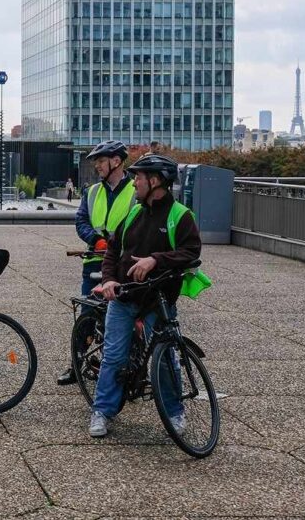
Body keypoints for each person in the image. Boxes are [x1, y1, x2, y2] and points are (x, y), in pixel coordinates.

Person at [88, 154, 201, 438]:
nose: (134, 181)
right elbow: (113, 250)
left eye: (139, 177)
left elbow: (191, 252)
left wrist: (155, 260)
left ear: (155, 181)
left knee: (165, 360)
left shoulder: (180, 216)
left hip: (158, 300)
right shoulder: (135, 212)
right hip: (125, 295)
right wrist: (110, 279)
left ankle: (175, 413)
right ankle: (102, 411)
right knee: (113, 355)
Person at [57, 140, 135, 386]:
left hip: (125, 264)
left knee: (128, 317)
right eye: (97, 162)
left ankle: (129, 366)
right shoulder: (92, 192)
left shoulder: (136, 190)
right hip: (94, 263)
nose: (97, 166)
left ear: (116, 161)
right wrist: (95, 240)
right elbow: (81, 222)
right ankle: (77, 364)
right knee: (88, 314)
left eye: (101, 161)